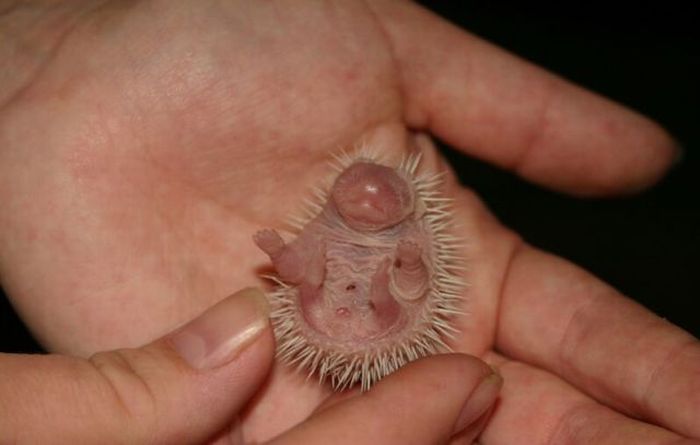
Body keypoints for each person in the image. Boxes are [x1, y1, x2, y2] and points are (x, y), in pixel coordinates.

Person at [0, 1, 697, 443]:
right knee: (315, 279)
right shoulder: (333, 220)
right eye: (354, 192)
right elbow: (305, 259)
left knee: (387, 293)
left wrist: (30, 34)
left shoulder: (411, 231)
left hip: (380, 315)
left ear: (402, 206)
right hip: (332, 308)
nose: (363, 197)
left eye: (377, 195)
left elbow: (419, 278)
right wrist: (286, 255)